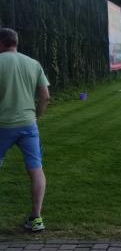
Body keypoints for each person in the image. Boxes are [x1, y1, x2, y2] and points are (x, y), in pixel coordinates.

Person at [0, 28, 50, 232]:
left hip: (2, 125)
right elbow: (45, 96)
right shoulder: (33, 63)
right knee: (36, 170)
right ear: (15, 42)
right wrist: (37, 115)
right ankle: (36, 219)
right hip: (28, 125)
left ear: (2, 43)